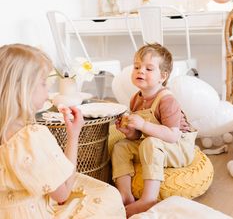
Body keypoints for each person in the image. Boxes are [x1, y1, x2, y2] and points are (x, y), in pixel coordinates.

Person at [0, 43, 126, 219]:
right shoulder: (31, 137)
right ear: (23, 90)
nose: (47, 93)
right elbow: (62, 194)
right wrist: (73, 135)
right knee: (109, 196)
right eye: (44, 84)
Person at [111, 43, 197, 218]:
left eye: (149, 69)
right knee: (121, 146)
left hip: (179, 147)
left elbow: (173, 136)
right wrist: (129, 131)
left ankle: (148, 199)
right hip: (155, 144)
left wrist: (143, 125)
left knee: (150, 143)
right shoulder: (136, 98)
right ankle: (126, 195)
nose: (140, 71)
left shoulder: (167, 100)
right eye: (136, 67)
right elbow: (138, 136)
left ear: (162, 76)